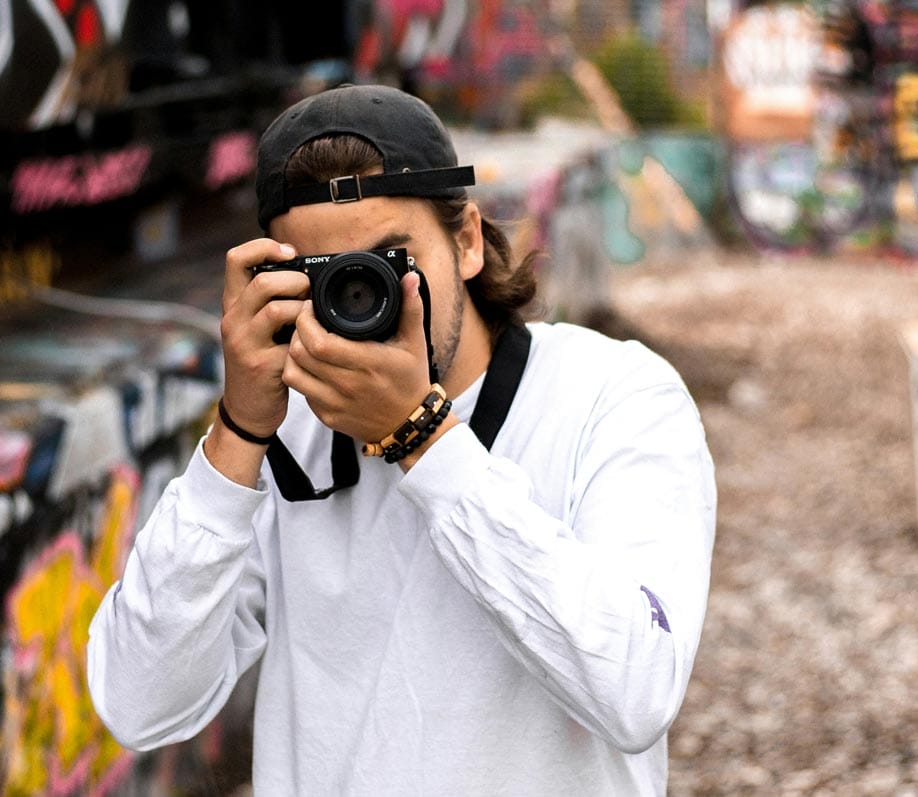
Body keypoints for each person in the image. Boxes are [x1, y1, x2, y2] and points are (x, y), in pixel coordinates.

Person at [87, 83, 716, 795]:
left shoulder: (613, 394)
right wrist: (236, 431)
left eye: (388, 260)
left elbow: (636, 689)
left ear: (469, 240)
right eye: (332, 278)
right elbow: (139, 703)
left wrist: (423, 438)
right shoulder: (289, 433)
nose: (366, 298)